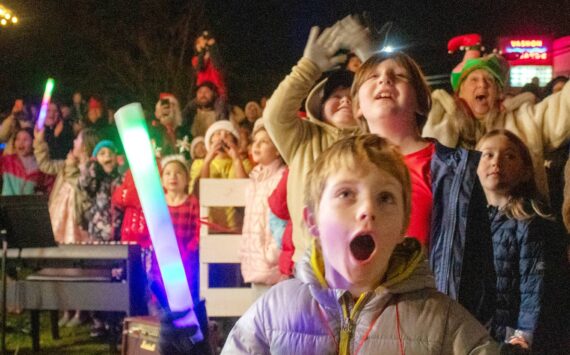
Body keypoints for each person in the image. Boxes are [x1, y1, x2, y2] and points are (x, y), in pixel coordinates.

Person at [222, 134, 501, 354]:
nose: (368, 209)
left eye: (385, 198)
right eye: (346, 194)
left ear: (403, 226)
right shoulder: (274, 310)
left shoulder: (440, 321)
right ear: (312, 221)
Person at [346, 46, 495, 323]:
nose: (384, 80)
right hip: (362, 320)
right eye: (373, 76)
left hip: (431, 320)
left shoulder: (454, 171)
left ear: (420, 101)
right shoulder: (341, 169)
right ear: (357, 106)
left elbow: (480, 265)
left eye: (398, 75)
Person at [422, 35, 570, 197]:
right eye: (474, 80)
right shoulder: (435, 120)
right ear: (459, 92)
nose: (482, 84)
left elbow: (563, 106)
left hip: (514, 216)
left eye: (489, 81)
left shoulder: (523, 120)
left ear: (499, 93)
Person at [263, 23, 361, 263]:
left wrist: (370, 59)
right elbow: (274, 115)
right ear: (320, 105)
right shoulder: (303, 137)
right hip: (309, 266)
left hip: (363, 268)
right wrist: (308, 68)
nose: (345, 102)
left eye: (352, 98)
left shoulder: (374, 141)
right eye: (336, 97)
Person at [476, 129, 569, 352]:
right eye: (487, 154)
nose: (497, 161)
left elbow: (534, 286)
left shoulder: (530, 223)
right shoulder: (473, 222)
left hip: (512, 340)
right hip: (481, 335)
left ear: (527, 171)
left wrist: (523, 336)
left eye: (509, 156)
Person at [34, 126, 99, 327]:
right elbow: (45, 165)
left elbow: (79, 184)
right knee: (60, 264)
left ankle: (81, 310)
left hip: (77, 225)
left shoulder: (90, 168)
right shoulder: (66, 164)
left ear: (86, 145)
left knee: (78, 267)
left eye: (77, 140)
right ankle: (66, 308)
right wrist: (39, 143)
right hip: (59, 222)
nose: (73, 143)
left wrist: (71, 166)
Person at [239, 119, 286, 292]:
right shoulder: (255, 179)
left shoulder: (281, 178)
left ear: (277, 150)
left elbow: (281, 220)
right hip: (255, 262)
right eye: (255, 141)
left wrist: (272, 254)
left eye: (264, 141)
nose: (256, 145)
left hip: (271, 264)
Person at [189, 121, 251, 231]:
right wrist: (207, 161)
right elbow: (197, 192)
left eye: (227, 134)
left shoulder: (243, 163)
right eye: (218, 134)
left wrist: (236, 160)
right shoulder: (199, 164)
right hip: (208, 227)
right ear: (211, 140)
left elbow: (248, 190)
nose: (222, 138)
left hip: (237, 229)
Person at [78, 139, 122, 242]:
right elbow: (83, 184)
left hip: (118, 230)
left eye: (111, 153)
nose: (107, 156)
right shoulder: (95, 179)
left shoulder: (120, 179)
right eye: (102, 154)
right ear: (96, 159)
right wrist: (89, 167)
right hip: (98, 229)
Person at [1, 127, 53, 195]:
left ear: (33, 142)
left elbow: (50, 187)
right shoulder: (8, 161)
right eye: (18, 139)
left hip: (29, 204)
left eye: (25, 139)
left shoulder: (42, 166)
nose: (20, 143)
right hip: (7, 204)